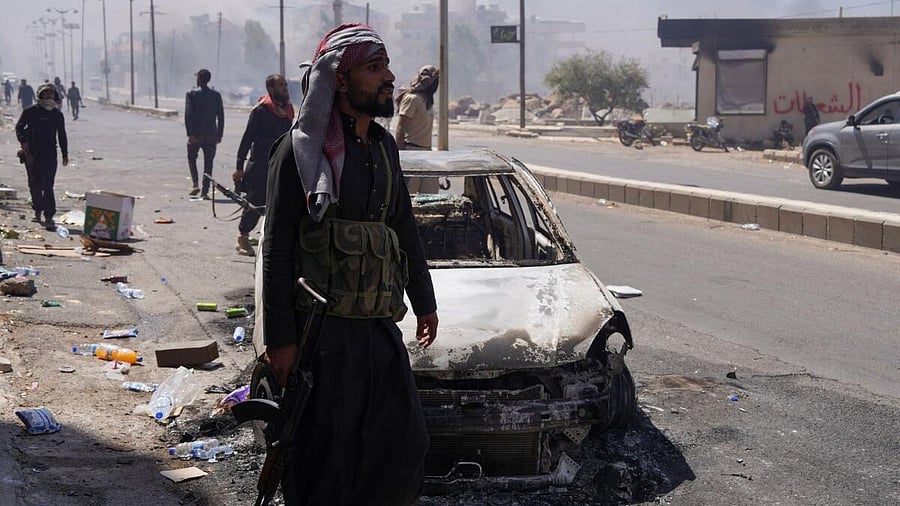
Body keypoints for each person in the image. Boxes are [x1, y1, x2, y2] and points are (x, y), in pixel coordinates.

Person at [262, 23, 439, 506]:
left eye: (387, 66)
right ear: (339, 79)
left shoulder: (383, 148)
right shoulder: (298, 153)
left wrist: (425, 302)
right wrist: (280, 339)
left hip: (378, 330)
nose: (389, 77)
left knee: (401, 446)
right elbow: (276, 247)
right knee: (326, 459)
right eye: (374, 67)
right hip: (321, 336)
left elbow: (402, 228)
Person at [232, 73, 293, 256]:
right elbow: (246, 139)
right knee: (255, 203)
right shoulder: (261, 111)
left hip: (279, 165)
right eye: (281, 85)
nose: (285, 88)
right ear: (271, 89)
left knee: (277, 204)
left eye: (285, 84)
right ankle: (243, 237)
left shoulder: (288, 111)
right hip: (260, 166)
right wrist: (239, 167)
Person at [15, 83, 68, 230]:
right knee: (34, 184)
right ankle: (37, 209)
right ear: (40, 95)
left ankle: (49, 216)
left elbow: (62, 135)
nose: (49, 96)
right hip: (32, 154)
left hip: (50, 154)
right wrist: (23, 140)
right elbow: (19, 126)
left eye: (51, 94)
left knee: (48, 186)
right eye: (46, 94)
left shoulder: (57, 114)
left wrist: (65, 153)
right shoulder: (30, 111)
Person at [184, 68, 224, 198]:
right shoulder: (216, 95)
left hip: (196, 135)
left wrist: (190, 134)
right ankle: (205, 191)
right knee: (209, 163)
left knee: (191, 158)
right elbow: (221, 116)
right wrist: (219, 134)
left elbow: (188, 115)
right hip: (211, 135)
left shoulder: (191, 94)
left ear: (199, 79)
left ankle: (195, 184)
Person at [394, 64, 439, 151]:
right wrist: (401, 153)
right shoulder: (412, 98)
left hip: (425, 150)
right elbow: (401, 127)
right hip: (411, 149)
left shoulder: (427, 100)